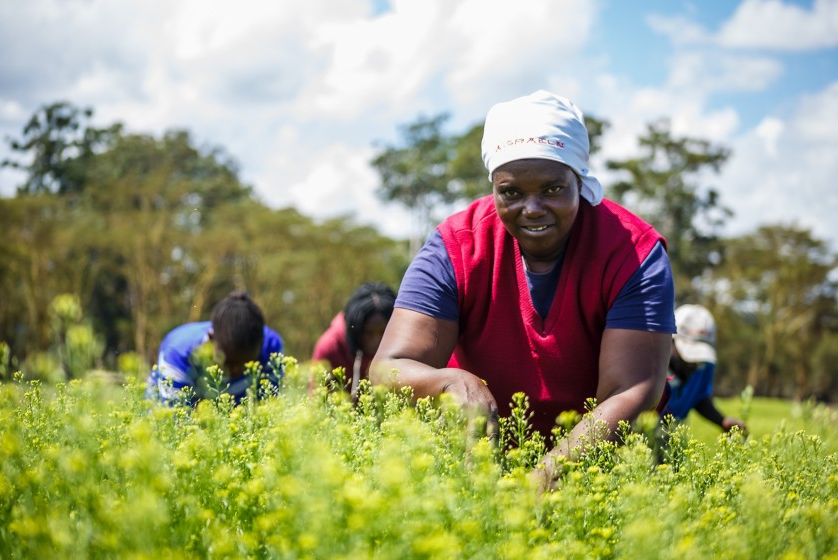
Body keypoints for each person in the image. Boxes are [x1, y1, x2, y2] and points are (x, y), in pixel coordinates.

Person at [370, 90, 676, 485]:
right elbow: (388, 368)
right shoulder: (456, 246)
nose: (532, 208)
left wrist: (547, 477)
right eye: (511, 192)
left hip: (606, 467)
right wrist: (449, 381)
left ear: (578, 179)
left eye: (552, 189)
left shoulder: (634, 252)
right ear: (493, 186)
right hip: (483, 461)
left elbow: (631, 391)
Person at [145, 290, 284, 405]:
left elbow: (266, 410)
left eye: (248, 364)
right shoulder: (178, 353)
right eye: (229, 363)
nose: (238, 371)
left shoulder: (272, 347)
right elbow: (176, 423)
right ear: (212, 339)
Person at [665, 304, 747, 433]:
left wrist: (721, 421)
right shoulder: (653, 368)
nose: (695, 362)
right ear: (671, 341)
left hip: (673, 436)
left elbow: (699, 397)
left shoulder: (704, 366)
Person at [312, 282, 396, 397]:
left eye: (383, 333)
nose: (376, 341)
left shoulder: (400, 347)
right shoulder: (329, 347)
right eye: (369, 333)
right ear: (356, 328)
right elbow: (316, 401)